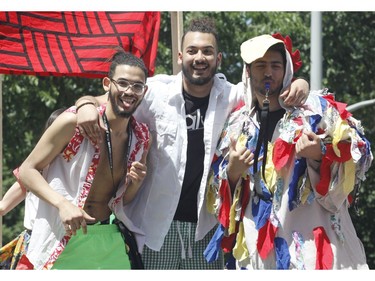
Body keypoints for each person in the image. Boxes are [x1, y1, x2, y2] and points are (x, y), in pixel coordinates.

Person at [74, 18, 310, 270]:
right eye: (192, 51)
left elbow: (273, 87)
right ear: (179, 57)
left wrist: (300, 82)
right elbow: (101, 100)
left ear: (218, 59)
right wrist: (85, 105)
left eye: (207, 51)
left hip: (205, 229)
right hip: (154, 228)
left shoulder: (233, 95)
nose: (200, 57)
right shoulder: (153, 92)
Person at [204, 33, 373, 269]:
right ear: (248, 71)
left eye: (275, 65)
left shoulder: (315, 111)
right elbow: (218, 205)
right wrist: (232, 172)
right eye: (260, 65)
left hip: (313, 250)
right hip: (259, 255)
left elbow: (358, 155)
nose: (268, 73)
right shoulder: (237, 125)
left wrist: (319, 155)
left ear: (286, 70)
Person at [16, 50, 151, 270]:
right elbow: (27, 171)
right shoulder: (72, 122)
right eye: (123, 83)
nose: (129, 91)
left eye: (137, 86)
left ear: (144, 91)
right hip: (62, 237)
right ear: (107, 84)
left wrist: (135, 183)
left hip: (109, 239)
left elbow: (122, 201)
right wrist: (62, 204)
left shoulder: (142, 138)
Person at [0, 108, 66, 270]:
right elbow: (2, 207)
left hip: (70, 246)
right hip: (35, 245)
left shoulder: (82, 171)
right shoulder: (31, 171)